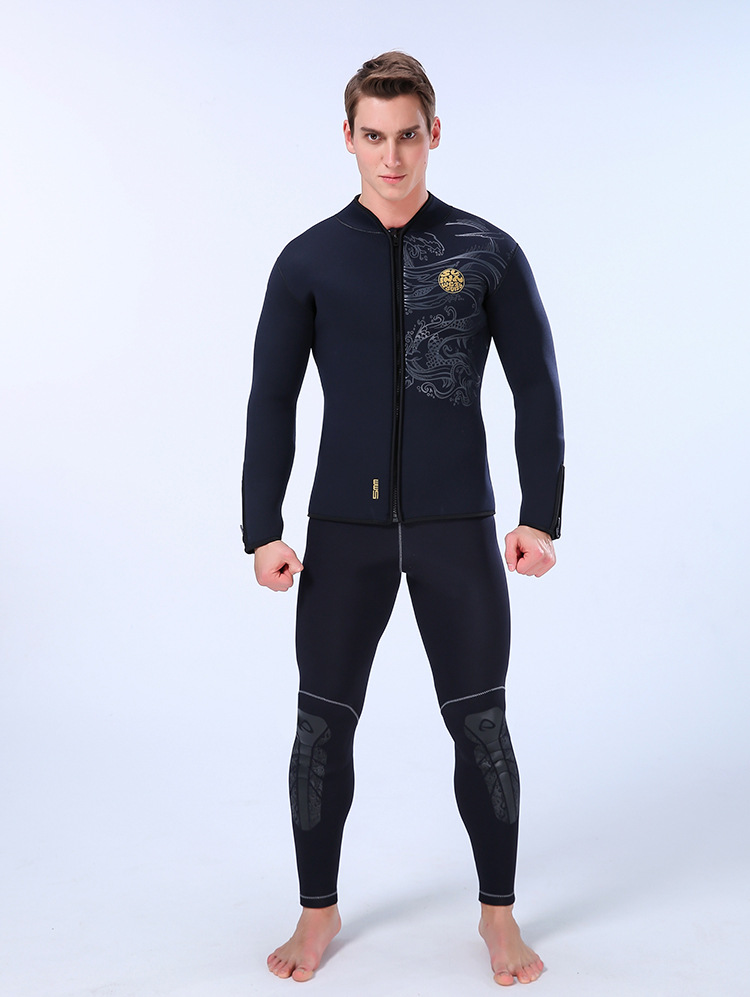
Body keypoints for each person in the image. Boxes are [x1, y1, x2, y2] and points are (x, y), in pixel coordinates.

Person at [241, 51, 564, 986]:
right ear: (348, 138)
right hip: (343, 530)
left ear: (434, 133)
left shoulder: (485, 251)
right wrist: (262, 526)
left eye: (408, 136)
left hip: (455, 525)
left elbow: (536, 384)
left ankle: (498, 915)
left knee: (482, 726)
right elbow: (271, 399)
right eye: (374, 137)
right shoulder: (307, 259)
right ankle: (318, 910)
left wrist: (541, 515)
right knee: (320, 729)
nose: (392, 157)